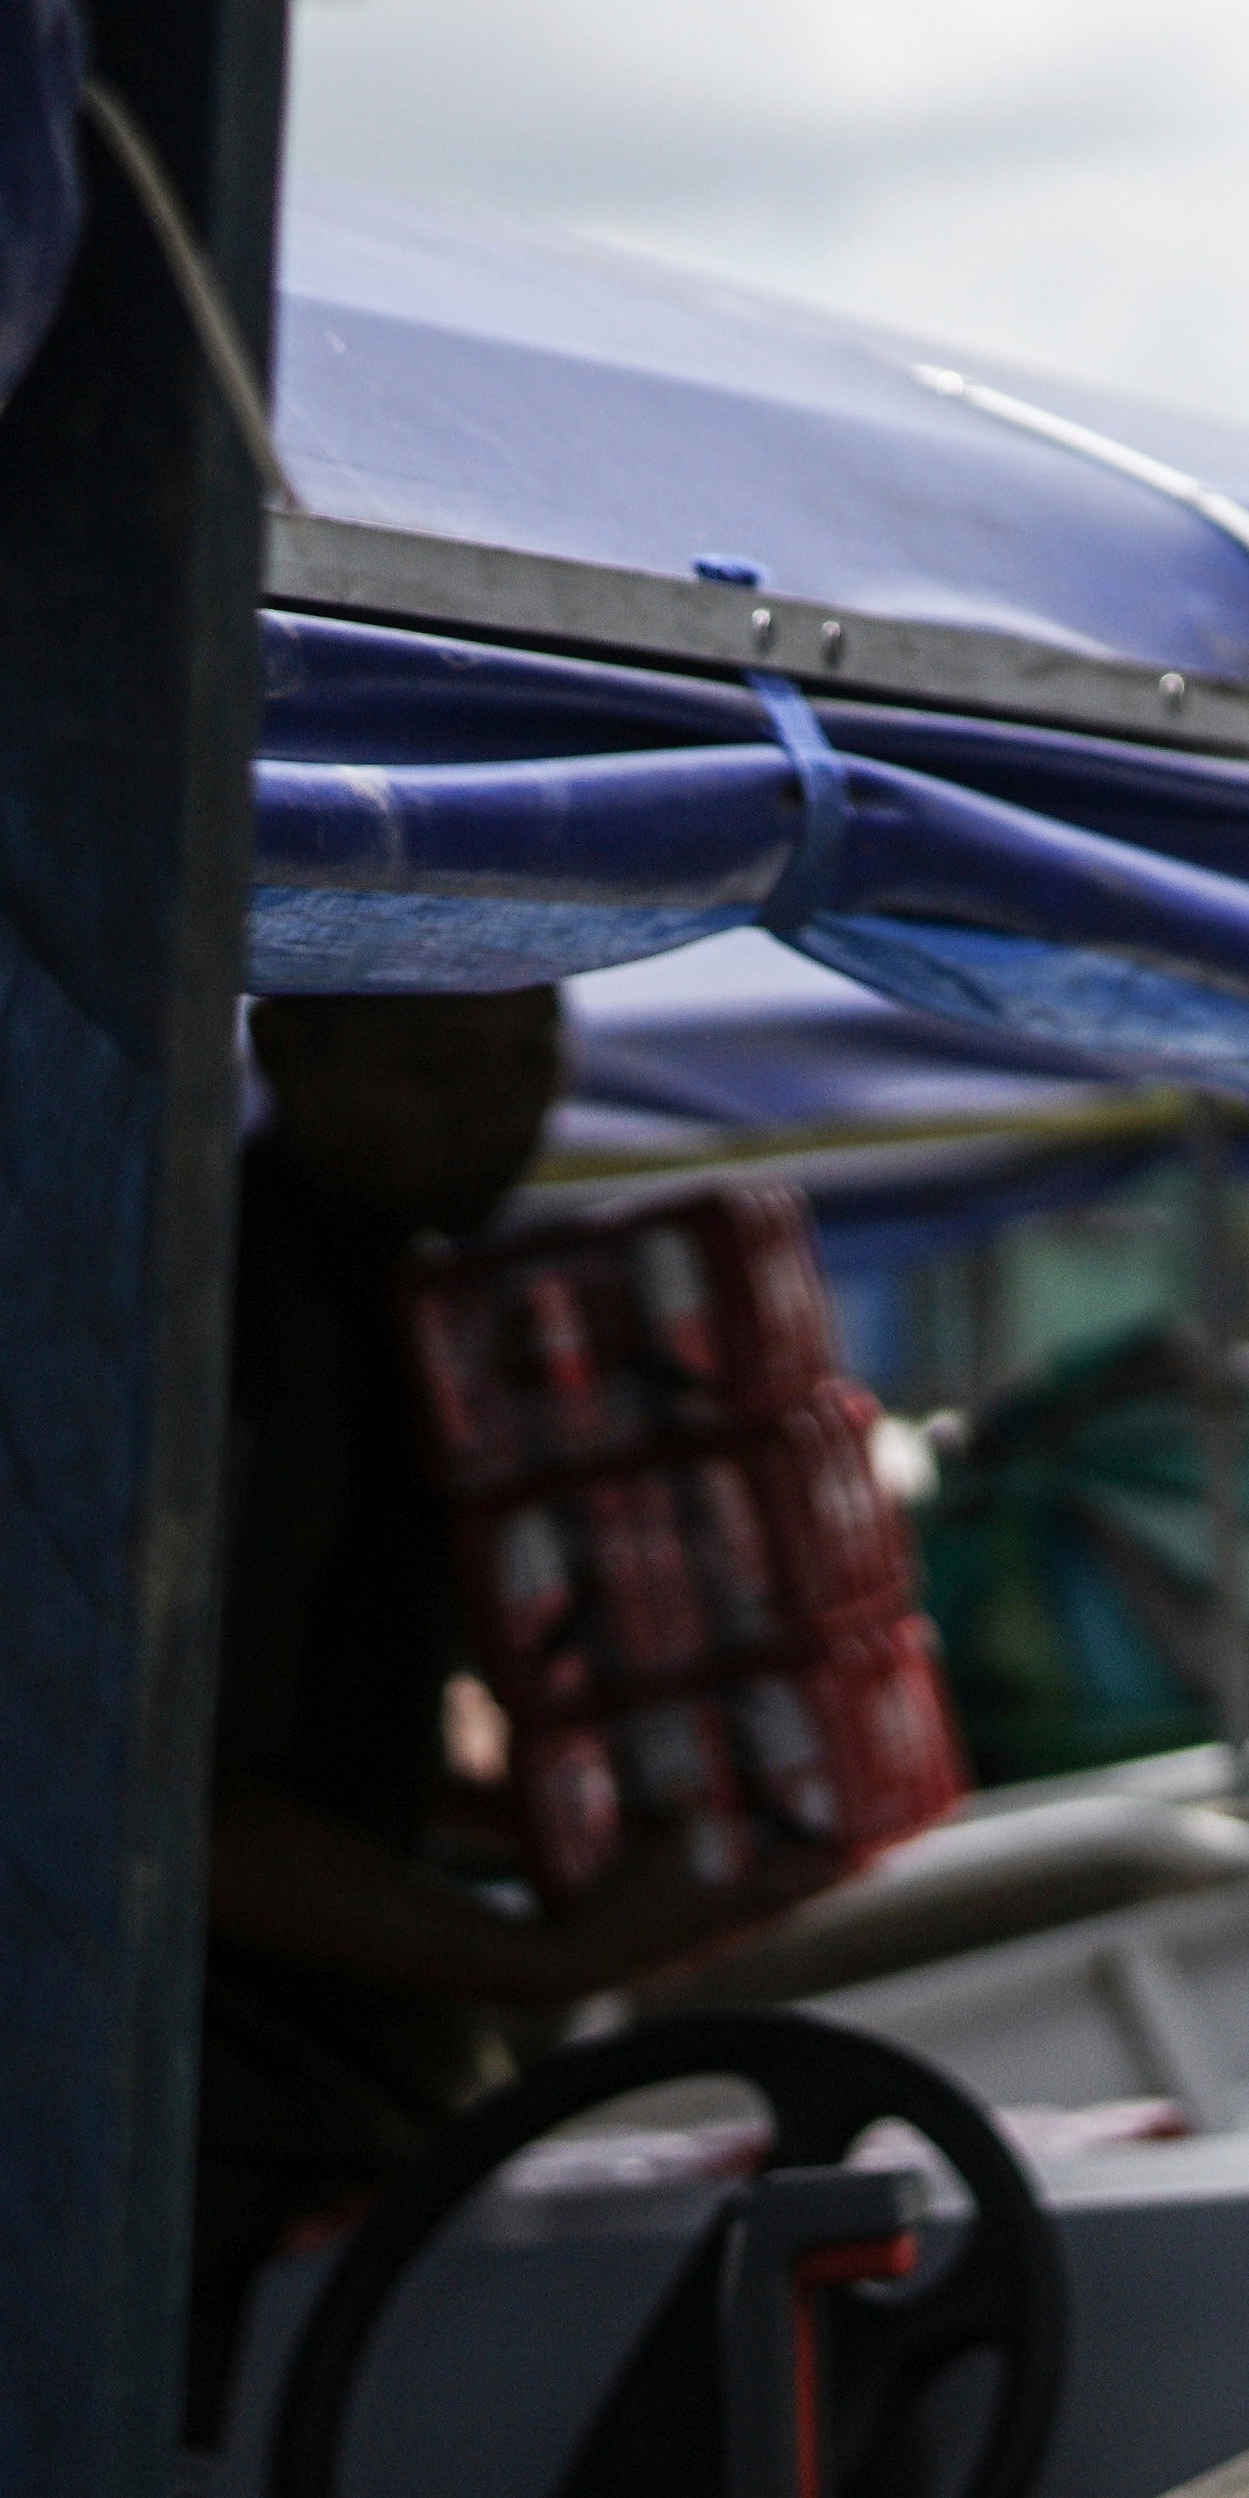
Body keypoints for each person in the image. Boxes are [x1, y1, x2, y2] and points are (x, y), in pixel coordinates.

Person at [195, 989, 811, 2407]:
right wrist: (543, 1957)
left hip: (346, 2078)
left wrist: (572, 1846)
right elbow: (182, 1815)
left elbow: (329, 1749)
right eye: (428, 1063)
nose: (498, 1107)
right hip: (205, 2124)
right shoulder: (242, 1327)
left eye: (534, 1059)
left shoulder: (390, 1294)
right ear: (282, 1050)